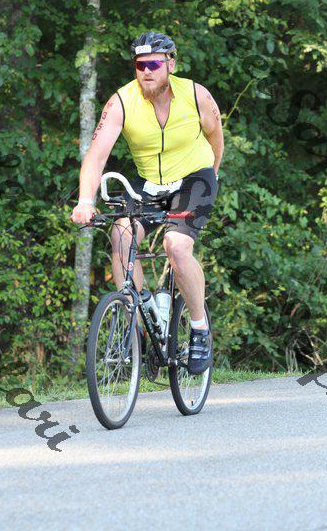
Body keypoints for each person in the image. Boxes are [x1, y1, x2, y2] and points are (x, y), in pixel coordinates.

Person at [70, 31, 224, 374]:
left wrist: (212, 175)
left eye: (154, 64)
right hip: (149, 183)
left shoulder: (196, 95)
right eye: (140, 65)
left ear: (171, 64)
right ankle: (140, 323)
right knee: (120, 235)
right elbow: (96, 156)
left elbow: (215, 136)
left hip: (194, 178)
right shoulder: (121, 102)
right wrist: (85, 200)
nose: (146, 71)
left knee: (176, 247)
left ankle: (199, 329)